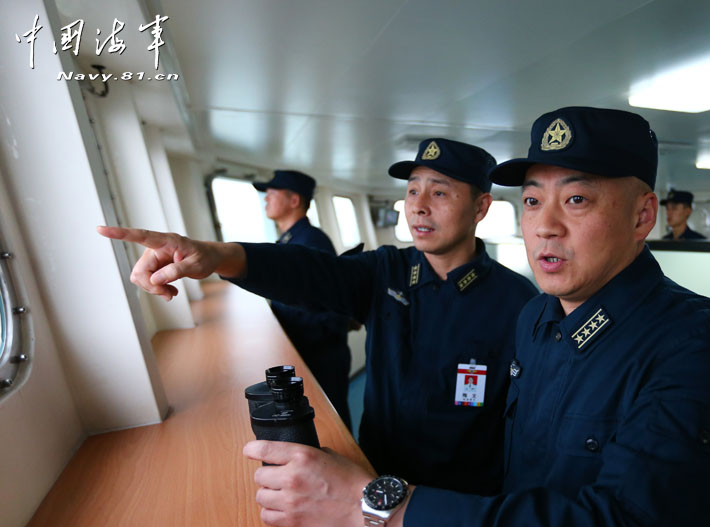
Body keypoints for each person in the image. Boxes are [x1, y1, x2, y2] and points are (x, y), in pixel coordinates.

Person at [236, 107, 710, 527]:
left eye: (577, 199)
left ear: (643, 215)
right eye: (532, 201)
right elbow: (517, 482)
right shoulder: (537, 318)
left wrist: (380, 510)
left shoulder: (696, 347)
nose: (545, 225)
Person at [97, 138, 538, 497]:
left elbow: (529, 417)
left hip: (463, 490)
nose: (418, 206)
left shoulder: (517, 300)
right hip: (376, 470)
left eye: (439, 192)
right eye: (412, 191)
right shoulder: (386, 271)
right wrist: (218, 256)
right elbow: (309, 272)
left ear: (480, 207)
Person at [253, 169, 353, 429]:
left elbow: (325, 306)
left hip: (320, 352)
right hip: (304, 347)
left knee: (333, 421)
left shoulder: (311, 242)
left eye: (272, 193)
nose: (266, 199)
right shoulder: (290, 240)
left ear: (294, 200)